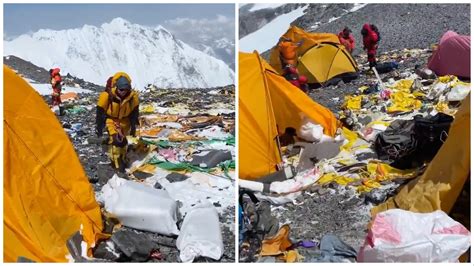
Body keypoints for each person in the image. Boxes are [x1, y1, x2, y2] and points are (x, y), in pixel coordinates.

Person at [96, 72, 140, 172]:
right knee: (115, 140)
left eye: (126, 90)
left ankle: (122, 158)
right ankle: (116, 164)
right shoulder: (107, 96)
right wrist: (99, 127)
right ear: (116, 87)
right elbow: (100, 112)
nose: (123, 92)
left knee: (123, 141)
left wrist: (133, 128)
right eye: (121, 89)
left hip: (125, 122)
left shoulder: (133, 98)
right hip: (111, 120)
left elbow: (134, 113)